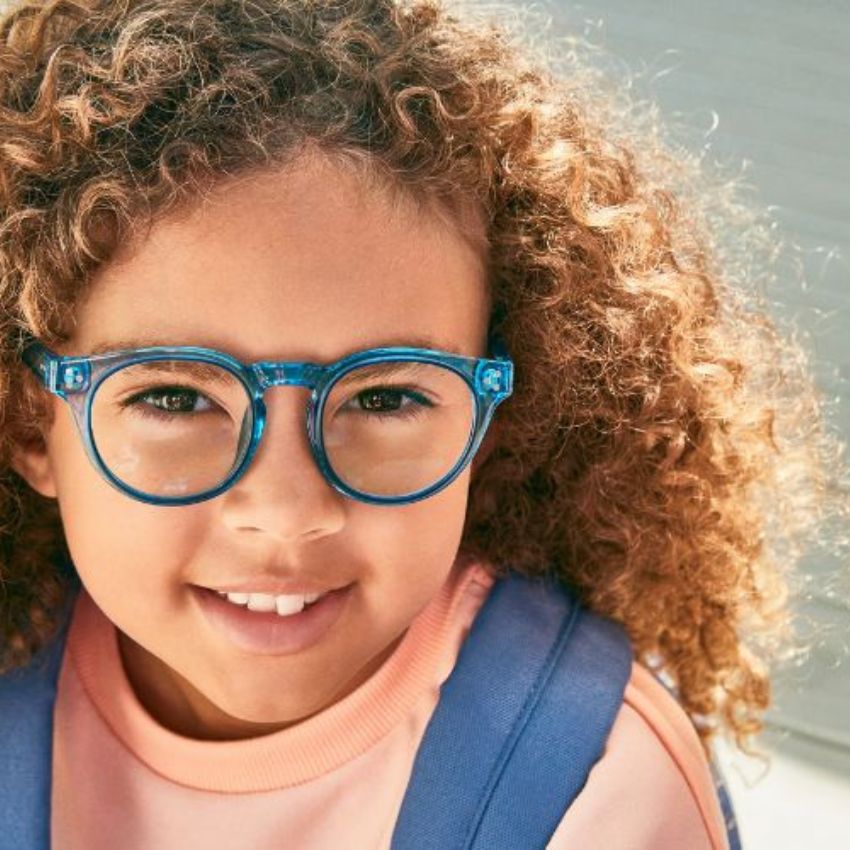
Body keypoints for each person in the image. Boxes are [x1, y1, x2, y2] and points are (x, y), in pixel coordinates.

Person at [0, 0, 843, 848]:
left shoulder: (590, 792)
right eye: (177, 400)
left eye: (383, 399)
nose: (289, 511)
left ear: (492, 422)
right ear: (30, 423)